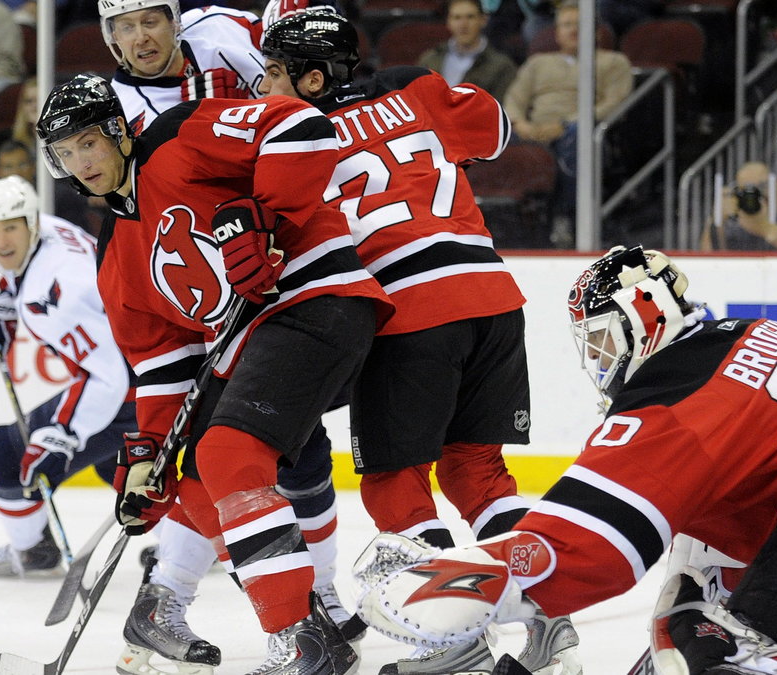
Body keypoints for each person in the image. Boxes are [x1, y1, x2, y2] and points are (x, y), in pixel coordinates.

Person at [353, 245, 777, 675]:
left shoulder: (674, 389)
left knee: (713, 640)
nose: (599, 363)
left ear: (640, 320)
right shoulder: (743, 341)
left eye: (599, 342)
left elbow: (592, 542)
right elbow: (728, 566)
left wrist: (480, 577)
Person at [259, 9, 580, 674]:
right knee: (478, 473)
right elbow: (496, 130)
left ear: (313, 77)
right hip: (492, 295)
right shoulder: (414, 91)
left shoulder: (291, 140)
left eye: (275, 73)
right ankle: (550, 618)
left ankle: (449, 640)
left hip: (409, 310)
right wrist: (420, 90)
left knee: (393, 485)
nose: (263, 87)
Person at [37, 73, 391, 674]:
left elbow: (301, 126)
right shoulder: (113, 255)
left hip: (311, 296)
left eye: (88, 142)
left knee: (228, 454)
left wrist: (267, 217)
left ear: (120, 132)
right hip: (252, 338)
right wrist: (149, 450)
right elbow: (163, 361)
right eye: (65, 153)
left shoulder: (179, 137)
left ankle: (297, 641)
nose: (80, 162)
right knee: (198, 480)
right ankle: (310, 627)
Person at [0, 176, 134, 578]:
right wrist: (2, 303)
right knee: (119, 467)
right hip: (150, 370)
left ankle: (32, 551)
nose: (2, 241)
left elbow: (108, 375)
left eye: (10, 228)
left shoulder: (57, 294)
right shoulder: (51, 231)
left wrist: (61, 435)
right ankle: (201, 538)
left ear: (29, 225)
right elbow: (19, 267)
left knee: (6, 457)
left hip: (128, 388)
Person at [503, 1, 632, 247]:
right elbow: (514, 99)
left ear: (595, 31)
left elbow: (614, 104)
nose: (573, 30)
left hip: (581, 132)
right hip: (534, 131)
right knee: (496, 140)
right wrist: (520, 123)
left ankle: (566, 217)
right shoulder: (537, 62)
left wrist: (566, 124)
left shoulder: (613, 62)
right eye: (567, 25)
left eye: (579, 24)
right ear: (556, 32)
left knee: (576, 136)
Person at [98, 0, 264, 133]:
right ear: (114, 36)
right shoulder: (122, 115)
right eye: (127, 28)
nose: (141, 38)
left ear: (174, 22)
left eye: (150, 22)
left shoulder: (219, 22)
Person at [417, 0, 517, 102]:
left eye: (470, 17)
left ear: (483, 20)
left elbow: (500, 109)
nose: (463, 25)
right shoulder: (430, 60)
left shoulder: (502, 66)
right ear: (448, 22)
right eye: (457, 17)